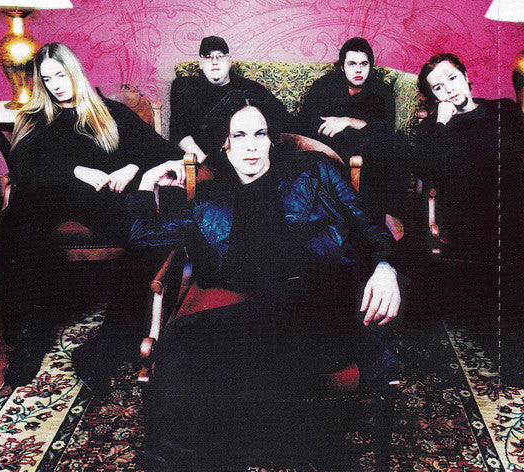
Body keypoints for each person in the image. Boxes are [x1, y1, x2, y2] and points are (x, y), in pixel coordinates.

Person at [127, 90, 404, 468]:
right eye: (239, 135)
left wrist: (385, 267)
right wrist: (147, 183)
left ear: (272, 137)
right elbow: (143, 239)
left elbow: (369, 223)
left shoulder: (314, 170)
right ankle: (288, 448)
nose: (251, 145)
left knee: (214, 338)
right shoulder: (209, 201)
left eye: (259, 133)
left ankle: (195, 454)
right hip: (267, 317)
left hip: (321, 302)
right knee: (180, 338)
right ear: (224, 145)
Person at [0, 42, 181, 388]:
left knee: (149, 236)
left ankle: (104, 348)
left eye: (61, 75)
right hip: (50, 200)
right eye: (47, 79)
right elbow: (23, 167)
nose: (56, 85)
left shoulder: (108, 111)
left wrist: (132, 166)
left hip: (102, 202)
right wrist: (75, 171)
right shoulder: (36, 117)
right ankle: (33, 335)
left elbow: (161, 149)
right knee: (15, 228)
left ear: (75, 72)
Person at [414, 53, 523, 387]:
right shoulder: (434, 129)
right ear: (432, 97)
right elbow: (427, 172)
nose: (448, 88)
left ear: (464, 75)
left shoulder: (504, 109)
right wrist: (441, 122)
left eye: (452, 78)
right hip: (474, 219)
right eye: (438, 87)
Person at [298, 37, 395, 221]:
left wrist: (347, 121)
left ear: (370, 66)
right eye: (352, 64)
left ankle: (370, 218)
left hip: (368, 159)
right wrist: (362, 127)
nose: (358, 70)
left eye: (364, 64)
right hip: (328, 150)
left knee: (389, 146)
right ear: (342, 67)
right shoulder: (324, 86)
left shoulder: (380, 92)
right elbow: (309, 123)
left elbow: (385, 131)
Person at [169, 35, 295, 164]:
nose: (214, 61)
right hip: (201, 161)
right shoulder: (185, 87)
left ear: (229, 61)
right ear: (200, 63)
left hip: (245, 160)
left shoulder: (251, 88)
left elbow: (285, 121)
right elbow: (179, 132)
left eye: (220, 56)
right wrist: (205, 166)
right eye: (208, 57)